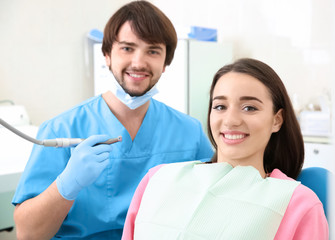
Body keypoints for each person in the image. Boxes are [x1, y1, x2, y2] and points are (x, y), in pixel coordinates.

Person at [12, 1, 213, 239]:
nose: (139, 62)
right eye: (127, 48)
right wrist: (65, 186)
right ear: (107, 55)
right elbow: (27, 234)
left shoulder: (189, 132)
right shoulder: (60, 129)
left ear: (166, 62)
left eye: (152, 51)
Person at [122, 58, 329, 240]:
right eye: (220, 106)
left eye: (249, 108)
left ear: (277, 120)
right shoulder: (157, 179)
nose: (230, 121)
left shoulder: (298, 205)